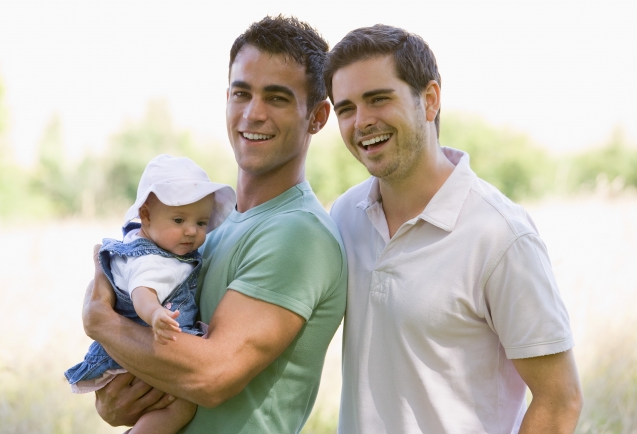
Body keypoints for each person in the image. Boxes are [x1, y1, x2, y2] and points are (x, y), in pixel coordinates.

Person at [82, 15, 347, 433]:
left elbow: (210, 376)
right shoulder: (207, 229)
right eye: (242, 93)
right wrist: (115, 400)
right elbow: (137, 379)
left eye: (276, 98)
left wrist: (101, 322)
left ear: (317, 116)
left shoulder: (299, 235)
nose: (253, 114)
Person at [324, 25, 584, 433]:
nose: (362, 121)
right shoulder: (344, 215)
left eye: (378, 99)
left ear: (429, 100)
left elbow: (560, 400)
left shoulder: (500, 235)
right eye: (346, 108)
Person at [66, 154, 235, 433]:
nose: (191, 231)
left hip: (125, 347)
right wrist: (155, 313)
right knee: (183, 405)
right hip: (141, 343)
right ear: (145, 215)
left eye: (202, 223)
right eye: (179, 220)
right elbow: (142, 292)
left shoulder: (137, 240)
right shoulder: (153, 260)